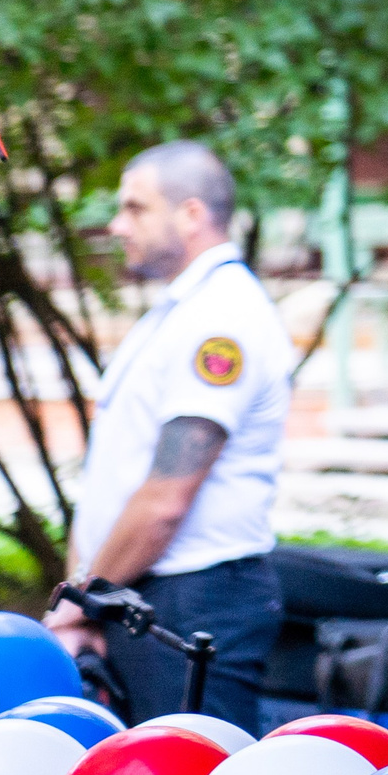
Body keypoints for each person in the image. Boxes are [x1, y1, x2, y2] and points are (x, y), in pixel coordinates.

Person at [45, 141, 291, 728]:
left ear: (191, 214)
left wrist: (81, 601)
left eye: (135, 208)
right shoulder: (181, 312)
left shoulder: (220, 319)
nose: (116, 224)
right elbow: (116, 474)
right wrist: (88, 598)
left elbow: (165, 501)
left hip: (192, 602)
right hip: (138, 594)